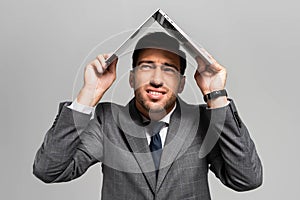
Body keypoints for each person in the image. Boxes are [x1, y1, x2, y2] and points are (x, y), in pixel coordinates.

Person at [33, 32, 263, 199]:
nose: (156, 79)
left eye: (169, 69)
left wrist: (216, 94)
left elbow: (247, 179)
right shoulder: (108, 121)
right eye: (146, 66)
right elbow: (49, 170)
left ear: (182, 83)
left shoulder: (203, 121)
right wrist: (89, 94)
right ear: (131, 78)